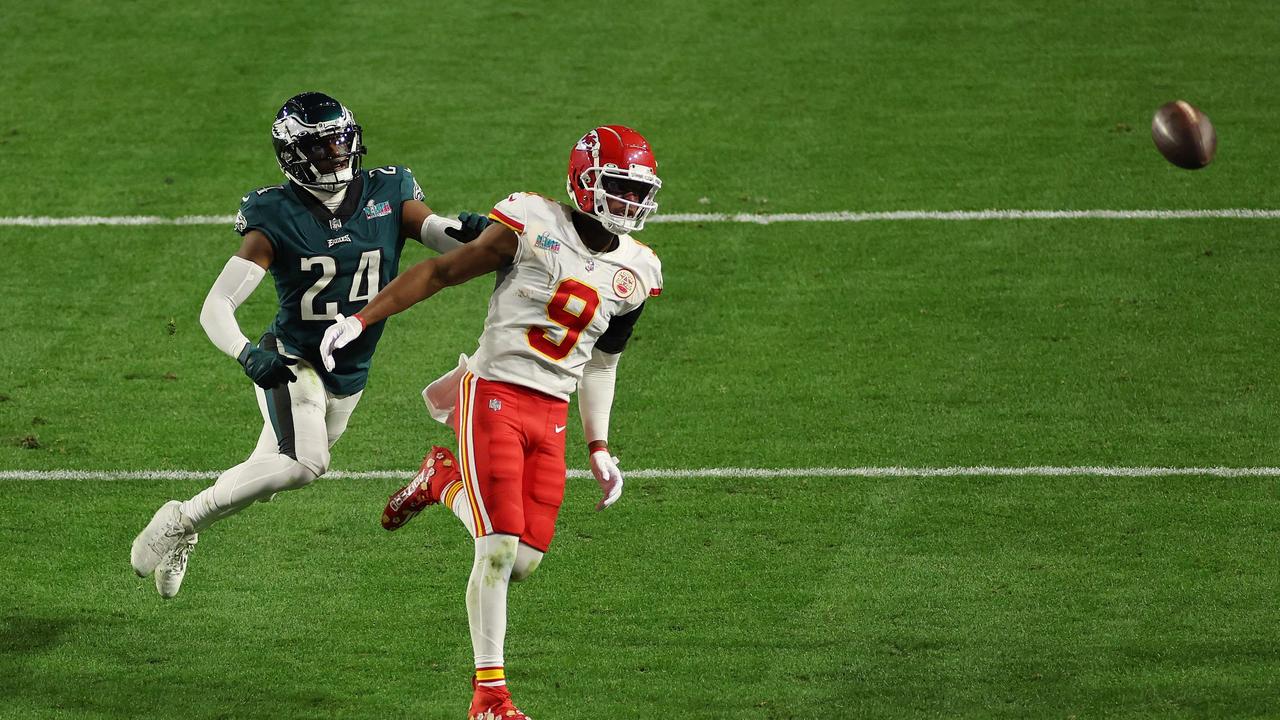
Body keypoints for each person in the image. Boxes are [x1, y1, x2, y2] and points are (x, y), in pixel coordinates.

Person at [319, 125, 664, 720]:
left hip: (552, 410)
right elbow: (439, 273)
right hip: (495, 394)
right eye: (618, 186)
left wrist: (600, 444)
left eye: (637, 190)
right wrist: (361, 319)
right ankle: (490, 696)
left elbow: (603, 365)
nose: (630, 203)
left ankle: (439, 480)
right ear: (584, 181)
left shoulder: (636, 271)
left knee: (523, 562)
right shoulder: (531, 224)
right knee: (498, 549)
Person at [129, 91, 491, 599]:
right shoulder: (274, 213)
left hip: (350, 373)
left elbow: (442, 239)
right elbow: (215, 305)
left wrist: (480, 237)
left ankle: (190, 527)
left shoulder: (389, 190)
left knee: (268, 479)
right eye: (323, 147)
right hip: (292, 360)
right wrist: (245, 352)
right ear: (295, 155)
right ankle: (179, 518)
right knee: (304, 464)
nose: (339, 155)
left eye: (343, 142)